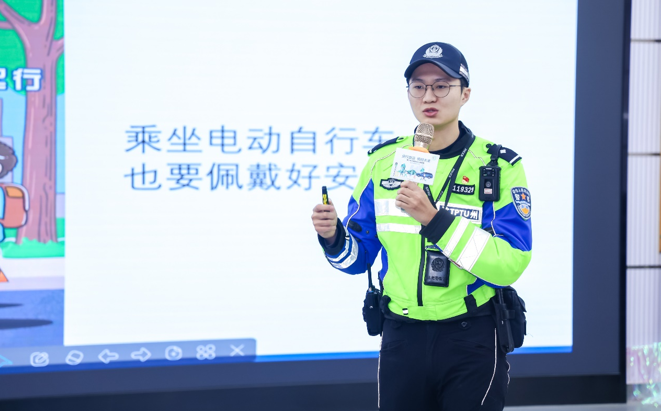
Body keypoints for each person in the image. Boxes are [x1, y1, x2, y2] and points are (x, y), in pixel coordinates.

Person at [311, 42, 532, 411]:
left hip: (470, 336)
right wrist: (333, 237)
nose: (429, 96)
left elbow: (510, 263)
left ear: (465, 94)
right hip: (402, 336)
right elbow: (357, 260)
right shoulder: (383, 163)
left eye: (441, 85)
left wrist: (435, 221)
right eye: (418, 86)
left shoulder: (497, 166)